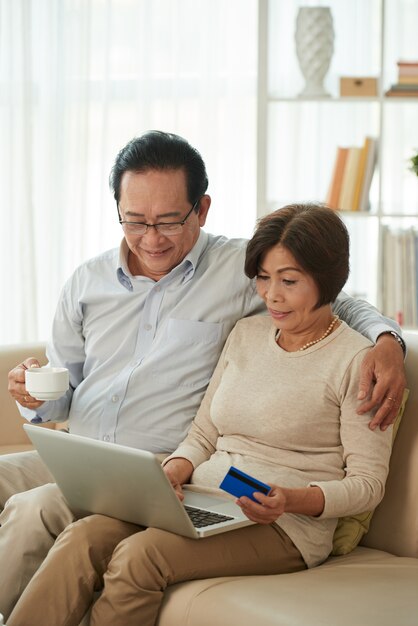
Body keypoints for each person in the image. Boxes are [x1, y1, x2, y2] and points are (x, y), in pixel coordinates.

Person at [1, 132, 405, 620]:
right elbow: (70, 393)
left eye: (169, 220)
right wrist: (33, 393)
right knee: (43, 508)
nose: (151, 238)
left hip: (188, 477)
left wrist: (388, 343)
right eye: (135, 221)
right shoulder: (92, 283)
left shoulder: (242, 271)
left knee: (45, 516)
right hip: (97, 456)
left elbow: (336, 301)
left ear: (202, 209)